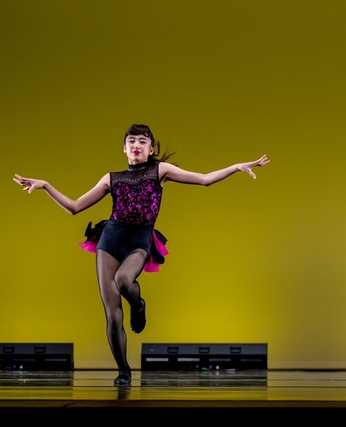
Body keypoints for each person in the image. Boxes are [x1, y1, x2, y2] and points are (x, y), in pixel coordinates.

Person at [13, 124, 269, 385]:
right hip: (110, 240)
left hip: (139, 241)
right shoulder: (111, 178)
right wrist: (46, 186)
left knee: (124, 280)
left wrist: (236, 167)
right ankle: (123, 370)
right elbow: (74, 207)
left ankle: (138, 306)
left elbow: (204, 179)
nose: (137, 145)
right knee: (113, 316)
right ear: (124, 148)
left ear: (151, 149)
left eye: (143, 141)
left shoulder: (160, 171)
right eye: (132, 141)